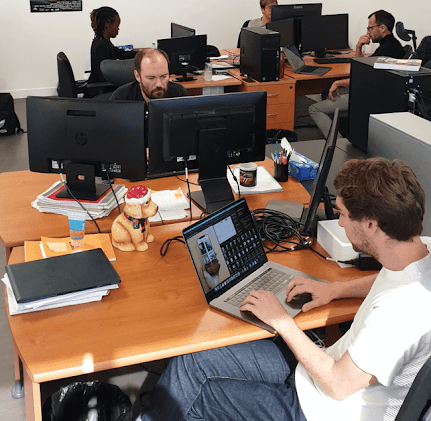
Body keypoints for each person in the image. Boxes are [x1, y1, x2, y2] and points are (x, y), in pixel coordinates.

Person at [138, 158, 431, 421]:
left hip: (317, 409)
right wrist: (334, 290)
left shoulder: (400, 310)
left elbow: (338, 385)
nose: (339, 222)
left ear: (371, 224)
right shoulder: (417, 253)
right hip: (317, 372)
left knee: (190, 397)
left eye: (343, 214)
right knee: (192, 360)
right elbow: (387, 278)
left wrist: (282, 322)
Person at [309, 10, 405, 138]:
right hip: (371, 90)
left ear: (382, 28)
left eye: (370, 28)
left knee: (314, 109)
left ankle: (337, 143)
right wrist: (358, 47)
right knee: (327, 92)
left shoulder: (387, 50)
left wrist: (339, 82)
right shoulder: (390, 45)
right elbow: (361, 69)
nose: (368, 32)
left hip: (369, 96)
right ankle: (343, 127)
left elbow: (363, 78)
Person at [110, 48, 187, 103]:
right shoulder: (121, 98)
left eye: (163, 76)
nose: (159, 84)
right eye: (151, 78)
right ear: (137, 76)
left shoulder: (179, 94)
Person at [88, 6, 136, 86]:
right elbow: (102, 76)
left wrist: (141, 53)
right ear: (108, 26)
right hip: (102, 88)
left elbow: (120, 54)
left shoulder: (103, 42)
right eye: (117, 26)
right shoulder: (101, 47)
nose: (118, 29)